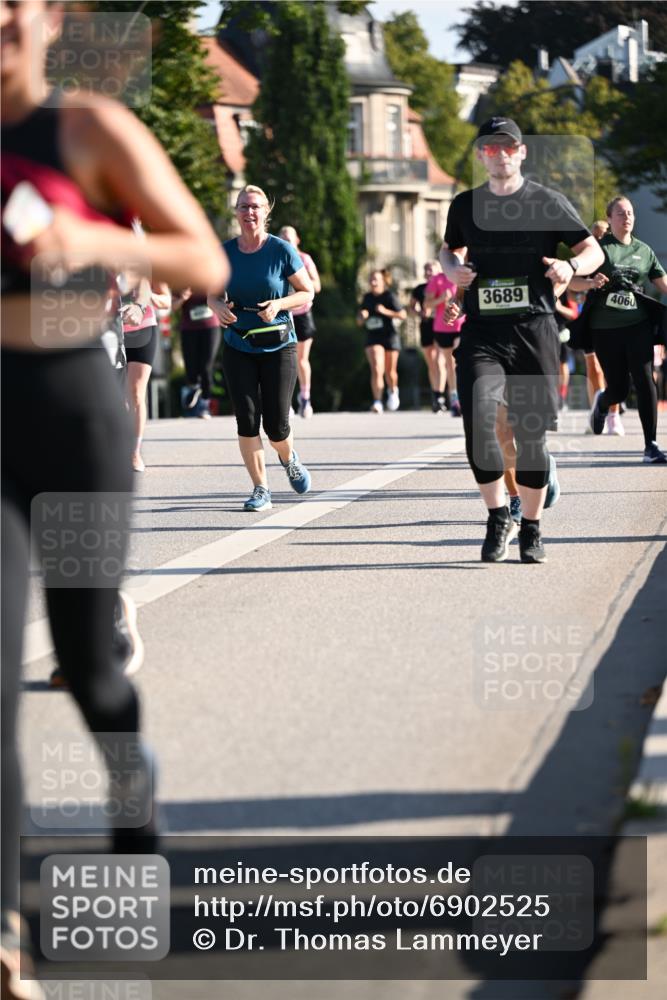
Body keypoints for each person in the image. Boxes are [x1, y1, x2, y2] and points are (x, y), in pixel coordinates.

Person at [1, 3, 229, 995]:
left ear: (50, 21)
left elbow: (203, 258)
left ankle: (132, 801)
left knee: (91, 665)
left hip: (73, 416)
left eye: (16, 3)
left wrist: (93, 235)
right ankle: (6, 934)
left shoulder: (88, 130)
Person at [439, 116, 604, 563]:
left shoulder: (547, 202)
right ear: (480, 155)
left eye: (507, 147)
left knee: (531, 439)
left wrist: (572, 268)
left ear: (521, 152)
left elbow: (592, 249)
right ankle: (498, 517)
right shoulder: (464, 205)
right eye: (490, 148)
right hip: (482, 333)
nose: (499, 154)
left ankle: (532, 528)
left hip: (533, 331)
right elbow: (449, 248)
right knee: (479, 425)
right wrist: (450, 269)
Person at [208, 186, 314, 511]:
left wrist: (280, 304)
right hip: (238, 343)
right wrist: (217, 306)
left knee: (276, 425)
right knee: (246, 419)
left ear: (267, 211)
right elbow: (210, 293)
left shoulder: (281, 250)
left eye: (255, 207)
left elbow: (306, 291)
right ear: (236, 212)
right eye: (243, 207)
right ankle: (260, 490)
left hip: (278, 344)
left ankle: (288, 457)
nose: (249, 213)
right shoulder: (224, 252)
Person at [572, 196, 667, 463]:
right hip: (605, 328)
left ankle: (651, 446)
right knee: (619, 390)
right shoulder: (599, 250)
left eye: (630, 213)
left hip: (638, 326)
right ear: (610, 218)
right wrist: (591, 282)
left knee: (646, 381)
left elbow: (661, 282)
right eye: (621, 213)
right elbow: (573, 282)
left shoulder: (644, 250)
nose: (627, 217)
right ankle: (603, 402)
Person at [122, 272, 171, 470]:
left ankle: (134, 453)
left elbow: (166, 300)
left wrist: (145, 296)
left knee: (135, 393)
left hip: (142, 330)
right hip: (109, 331)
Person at [582, 218, 624, 435]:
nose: (599, 237)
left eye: (603, 233)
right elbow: (574, 282)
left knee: (611, 367)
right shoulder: (587, 255)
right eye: (595, 234)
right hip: (591, 315)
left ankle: (613, 415)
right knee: (594, 367)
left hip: (613, 316)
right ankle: (598, 410)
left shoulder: (618, 254)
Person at [278, 226, 321, 419]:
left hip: (302, 314)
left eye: (289, 238)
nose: (286, 241)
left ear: (297, 240)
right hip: (283, 314)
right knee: (283, 360)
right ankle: (285, 402)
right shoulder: (276, 258)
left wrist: (300, 287)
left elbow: (317, 285)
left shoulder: (305, 259)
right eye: (283, 238)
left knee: (301, 359)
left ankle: (305, 398)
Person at [357, 269, 407, 413]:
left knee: (390, 372)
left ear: (383, 281)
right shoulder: (367, 298)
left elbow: (402, 315)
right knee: (377, 368)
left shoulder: (389, 296)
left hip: (389, 336)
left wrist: (385, 311)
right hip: (373, 337)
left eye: (376, 279)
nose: (373, 282)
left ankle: (392, 391)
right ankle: (377, 401)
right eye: (371, 279)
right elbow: (359, 321)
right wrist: (362, 316)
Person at [172, 288, 221, 419]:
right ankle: (193, 402)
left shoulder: (208, 278)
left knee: (206, 367)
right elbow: (172, 307)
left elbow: (222, 299)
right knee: (191, 369)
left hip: (210, 327)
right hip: (189, 329)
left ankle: (204, 405)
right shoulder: (181, 282)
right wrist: (183, 298)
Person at [425, 265, 465, 416]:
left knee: (456, 362)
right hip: (443, 327)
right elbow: (427, 304)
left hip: (461, 326)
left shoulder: (463, 276)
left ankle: (459, 399)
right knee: (450, 364)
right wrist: (441, 299)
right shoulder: (437, 279)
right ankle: (455, 399)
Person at [410, 260, 447, 413]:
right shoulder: (419, 289)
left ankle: (440, 396)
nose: (429, 273)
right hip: (425, 327)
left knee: (440, 361)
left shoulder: (444, 285)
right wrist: (419, 312)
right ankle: (435, 394)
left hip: (441, 326)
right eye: (426, 270)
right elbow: (411, 306)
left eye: (431, 270)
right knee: (431, 363)